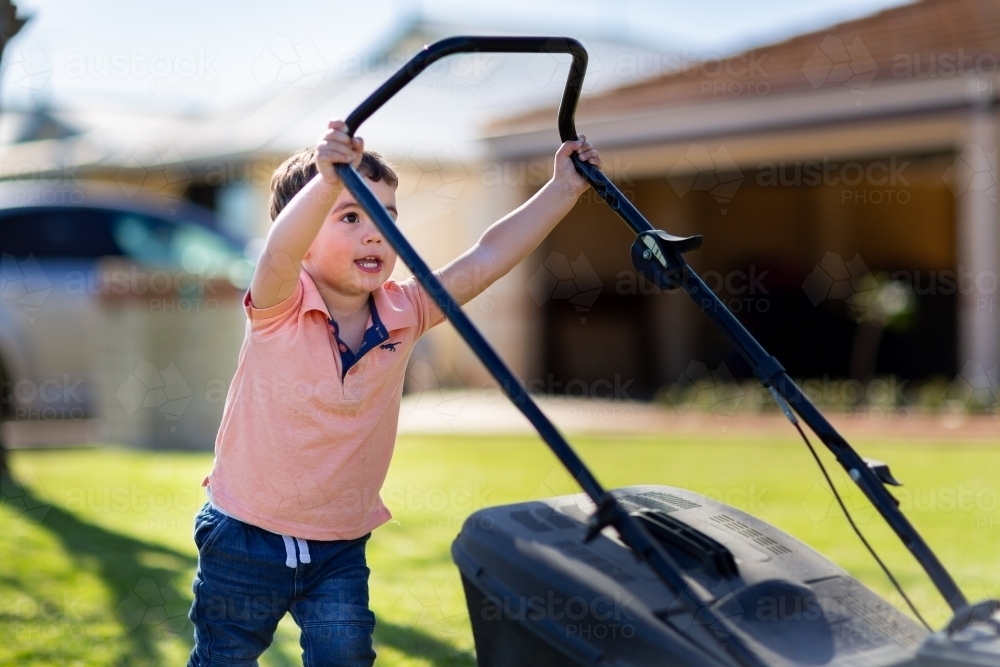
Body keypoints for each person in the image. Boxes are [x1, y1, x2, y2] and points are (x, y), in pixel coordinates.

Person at [186, 119, 602, 666]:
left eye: (385, 215)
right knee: (224, 658)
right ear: (306, 229)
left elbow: (485, 259)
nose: (374, 232)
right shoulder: (279, 303)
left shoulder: (406, 310)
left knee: (347, 656)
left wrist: (562, 190)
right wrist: (326, 180)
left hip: (338, 545)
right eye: (351, 215)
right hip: (245, 536)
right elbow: (279, 252)